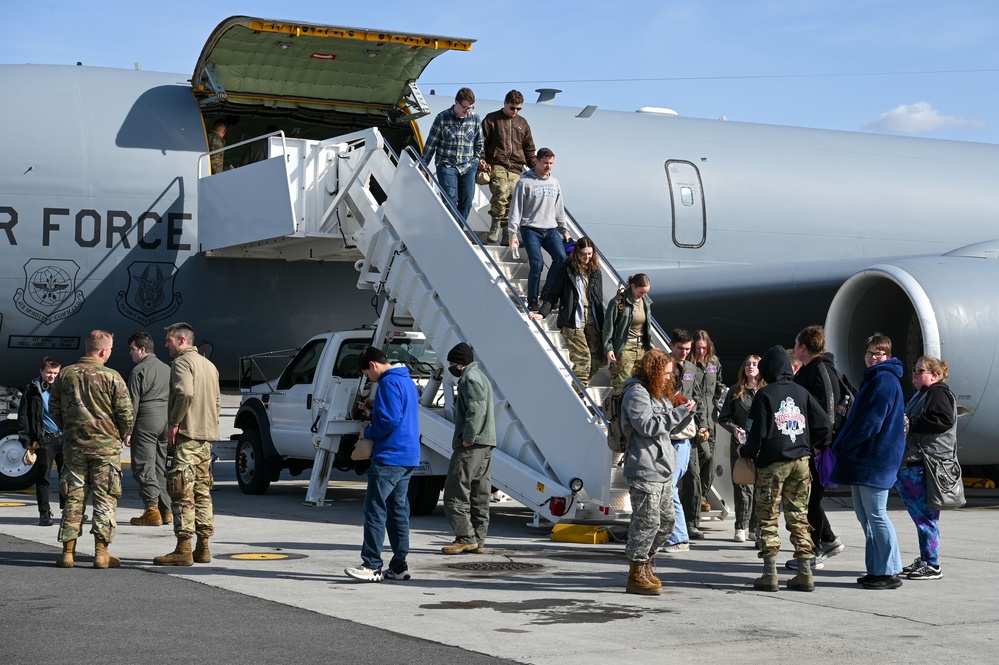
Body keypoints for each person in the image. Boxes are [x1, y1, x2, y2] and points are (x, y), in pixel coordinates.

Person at [739, 344, 830, 592]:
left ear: (768, 368)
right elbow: (824, 425)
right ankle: (805, 573)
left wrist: (745, 451)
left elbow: (754, 435)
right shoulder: (802, 393)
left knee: (768, 517)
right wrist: (807, 443)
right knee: (799, 517)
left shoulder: (764, 395)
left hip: (773, 464)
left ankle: (770, 575)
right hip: (801, 463)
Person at [50, 331, 134, 569]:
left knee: (73, 498)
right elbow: (125, 413)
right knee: (105, 499)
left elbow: (54, 408)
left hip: (74, 447)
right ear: (103, 351)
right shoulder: (112, 377)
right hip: (106, 449)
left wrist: (69, 428)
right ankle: (101, 553)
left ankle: (68, 553)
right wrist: (121, 432)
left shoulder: (65, 374)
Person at [830, 333, 906, 590]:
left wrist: (841, 444)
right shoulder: (875, 379)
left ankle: (890, 571)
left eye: (879, 353)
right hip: (866, 460)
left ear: (888, 355)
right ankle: (877, 569)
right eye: (870, 353)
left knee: (876, 515)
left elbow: (870, 423)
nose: (874, 357)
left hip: (875, 459)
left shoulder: (884, 380)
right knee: (867, 517)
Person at [619, 349, 695, 595]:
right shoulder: (636, 393)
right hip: (644, 468)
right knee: (647, 522)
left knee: (666, 523)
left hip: (662, 468)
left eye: (669, 374)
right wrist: (680, 412)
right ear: (653, 371)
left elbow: (668, 429)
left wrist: (687, 413)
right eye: (664, 373)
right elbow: (647, 426)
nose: (667, 378)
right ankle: (636, 571)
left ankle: (646, 561)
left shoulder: (658, 395)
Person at [345, 345, 421, 582]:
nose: (369, 378)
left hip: (390, 456)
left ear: (373, 365)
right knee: (398, 511)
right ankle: (399, 566)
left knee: (375, 508)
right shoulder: (406, 380)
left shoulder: (387, 382)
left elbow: (389, 421)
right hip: (408, 455)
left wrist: (366, 434)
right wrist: (373, 406)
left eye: (367, 374)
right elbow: (400, 412)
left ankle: (371, 565)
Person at [153, 322, 221, 567]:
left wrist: (174, 422)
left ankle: (183, 549)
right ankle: (203, 548)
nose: (165, 345)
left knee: (181, 493)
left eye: (169, 340)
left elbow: (185, 393)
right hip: (205, 439)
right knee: (203, 493)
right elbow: (216, 403)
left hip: (187, 437)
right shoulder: (209, 365)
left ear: (182, 341)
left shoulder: (182, 362)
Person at [786, 325, 846, 571]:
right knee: (812, 498)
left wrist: (821, 444)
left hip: (819, 448)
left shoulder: (820, 370)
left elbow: (829, 412)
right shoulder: (813, 369)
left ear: (803, 347)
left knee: (810, 499)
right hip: (813, 445)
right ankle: (829, 540)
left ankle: (813, 552)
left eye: (797, 343)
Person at [894, 356, 956, 581]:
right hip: (914, 462)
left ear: (934, 375)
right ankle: (926, 559)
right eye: (914, 369)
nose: (914, 373)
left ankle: (932, 564)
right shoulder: (925, 393)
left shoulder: (937, 392)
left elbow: (943, 420)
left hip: (921, 464)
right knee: (922, 517)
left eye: (919, 370)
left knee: (925, 518)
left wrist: (911, 421)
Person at [442, 343, 496, 555]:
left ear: (460, 363)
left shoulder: (469, 379)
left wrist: (467, 437)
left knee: (455, 492)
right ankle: (478, 541)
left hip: (472, 445)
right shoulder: (481, 376)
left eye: (452, 363)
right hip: (486, 444)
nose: (450, 367)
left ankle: (465, 538)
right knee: (479, 493)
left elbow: (476, 410)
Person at [531, 237, 604, 388]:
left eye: (590, 254)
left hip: (592, 318)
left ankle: (576, 388)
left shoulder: (595, 271)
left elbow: (598, 298)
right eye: (584, 254)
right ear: (577, 253)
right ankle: (579, 396)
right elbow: (552, 295)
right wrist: (542, 313)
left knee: (595, 362)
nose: (587, 258)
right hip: (572, 319)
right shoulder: (567, 269)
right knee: (583, 361)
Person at [508, 147, 570, 310]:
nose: (548, 166)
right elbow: (516, 209)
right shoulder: (524, 182)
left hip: (550, 229)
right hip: (530, 228)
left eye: (551, 163)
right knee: (537, 264)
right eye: (545, 163)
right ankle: (532, 299)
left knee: (561, 258)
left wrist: (564, 230)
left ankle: (547, 293)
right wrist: (513, 233)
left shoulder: (554, 182)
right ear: (537, 161)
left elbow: (559, 209)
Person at [124, 332, 172, 527]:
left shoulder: (138, 371)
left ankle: (151, 510)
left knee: (143, 466)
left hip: (146, 419)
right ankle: (166, 510)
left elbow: (132, 405)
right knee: (160, 466)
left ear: (142, 350)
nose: (130, 353)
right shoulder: (168, 368)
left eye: (133, 349)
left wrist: (128, 430)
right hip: (165, 419)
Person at [718, 355, 765, 543]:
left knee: (760, 485)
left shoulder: (766, 391)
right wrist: (734, 429)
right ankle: (741, 526)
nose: (751, 367)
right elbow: (724, 418)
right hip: (741, 444)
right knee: (742, 485)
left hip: (761, 443)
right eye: (747, 364)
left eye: (755, 364)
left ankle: (754, 527)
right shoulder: (736, 391)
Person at [480, 90, 536, 244]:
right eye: (512, 108)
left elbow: (529, 148)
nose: (515, 111)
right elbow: (481, 143)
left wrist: (536, 167)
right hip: (497, 163)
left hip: (516, 167)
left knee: (512, 200)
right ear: (505, 103)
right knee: (501, 192)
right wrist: (482, 159)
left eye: (518, 109)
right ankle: (495, 226)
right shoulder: (492, 119)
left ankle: (507, 234)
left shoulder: (522, 123)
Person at [421, 87, 484, 221]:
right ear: (456, 103)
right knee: (450, 199)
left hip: (468, 166)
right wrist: (423, 167)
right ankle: (453, 233)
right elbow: (431, 144)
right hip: (447, 165)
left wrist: (475, 161)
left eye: (470, 108)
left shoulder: (475, 119)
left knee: (467, 201)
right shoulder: (442, 118)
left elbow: (479, 143)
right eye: (465, 108)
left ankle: (457, 232)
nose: (467, 111)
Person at [16, 356, 65, 526]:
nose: (52, 376)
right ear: (41, 371)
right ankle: (44, 513)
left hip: (64, 438)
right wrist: (26, 439)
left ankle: (67, 511)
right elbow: (23, 416)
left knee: (66, 477)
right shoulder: (32, 389)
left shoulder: (63, 387)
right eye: (49, 373)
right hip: (45, 440)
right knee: (43, 478)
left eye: (55, 373)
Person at [670, 328, 707, 539]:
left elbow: (698, 397)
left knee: (692, 475)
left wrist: (703, 426)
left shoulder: (692, 368)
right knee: (670, 479)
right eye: (680, 349)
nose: (684, 353)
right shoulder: (664, 366)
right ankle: (674, 526)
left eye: (688, 349)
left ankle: (691, 523)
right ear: (671, 346)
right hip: (668, 430)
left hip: (688, 429)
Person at [691, 330, 725, 515]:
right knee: (702, 455)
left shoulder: (714, 362)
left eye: (704, 348)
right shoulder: (689, 365)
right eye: (698, 348)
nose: (701, 351)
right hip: (696, 417)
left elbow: (718, 383)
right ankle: (693, 494)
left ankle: (702, 496)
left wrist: (722, 389)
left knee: (711, 458)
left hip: (711, 417)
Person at [602, 274, 653, 394]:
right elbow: (608, 327)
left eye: (645, 293)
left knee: (642, 384)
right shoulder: (618, 302)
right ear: (633, 286)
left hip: (641, 348)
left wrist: (650, 344)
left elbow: (647, 326)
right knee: (622, 385)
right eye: (641, 292)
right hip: (625, 348)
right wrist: (608, 348)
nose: (643, 295)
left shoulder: (645, 302)